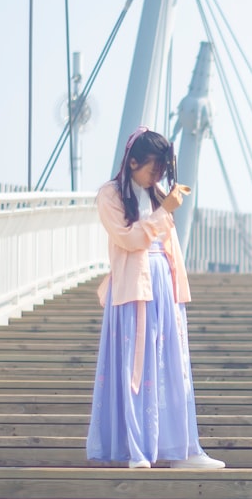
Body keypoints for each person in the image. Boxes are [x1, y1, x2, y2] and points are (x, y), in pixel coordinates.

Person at [86, 126, 225, 470]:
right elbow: (129, 239)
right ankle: (138, 449)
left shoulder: (155, 193)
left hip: (163, 284)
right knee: (137, 364)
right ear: (132, 162)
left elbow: (165, 246)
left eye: (161, 171)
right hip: (134, 288)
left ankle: (183, 448)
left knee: (172, 364)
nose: (156, 176)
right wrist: (165, 213)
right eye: (152, 169)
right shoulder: (110, 195)